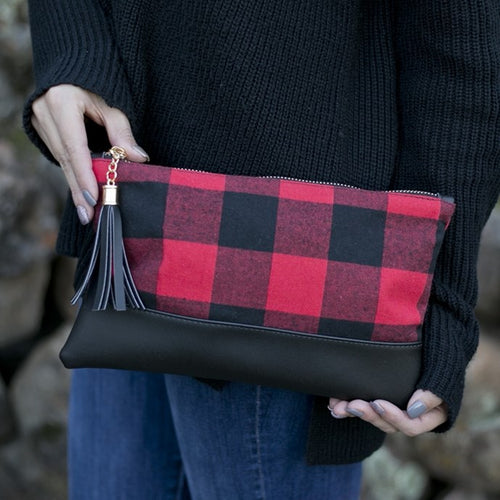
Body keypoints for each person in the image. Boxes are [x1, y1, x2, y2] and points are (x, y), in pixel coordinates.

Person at [24, 1, 500, 499]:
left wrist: (437, 300)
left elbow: (458, 57)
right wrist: (70, 52)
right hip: (122, 252)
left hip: (291, 298)